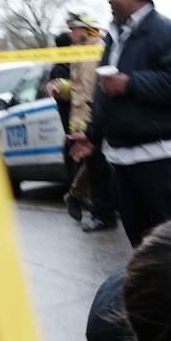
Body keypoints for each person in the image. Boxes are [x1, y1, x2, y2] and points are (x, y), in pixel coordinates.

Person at [70, 0, 171, 246]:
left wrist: (130, 83)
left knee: (170, 253)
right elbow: (105, 93)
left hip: (158, 161)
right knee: (141, 252)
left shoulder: (166, 32)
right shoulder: (114, 38)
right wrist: (92, 135)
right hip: (122, 162)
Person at [52, 14, 120, 228]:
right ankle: (102, 214)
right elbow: (76, 88)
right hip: (82, 120)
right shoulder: (77, 52)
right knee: (95, 167)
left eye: (74, 29)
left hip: (99, 116)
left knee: (102, 167)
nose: (71, 33)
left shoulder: (100, 48)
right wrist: (60, 88)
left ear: (87, 29)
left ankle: (91, 205)